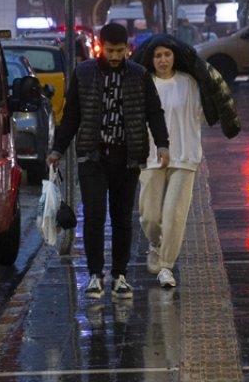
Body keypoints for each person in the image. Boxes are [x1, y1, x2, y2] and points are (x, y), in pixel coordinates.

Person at [48, 22, 170, 301]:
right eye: (111, 50)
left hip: (127, 156)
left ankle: (120, 275)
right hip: (92, 155)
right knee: (93, 215)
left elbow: (154, 111)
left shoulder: (138, 75)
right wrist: (57, 149)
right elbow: (72, 116)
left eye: (120, 51)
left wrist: (162, 144)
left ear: (128, 49)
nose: (115, 56)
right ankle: (95, 275)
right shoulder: (84, 73)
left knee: (122, 217)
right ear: (101, 47)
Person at [136, 37, 204, 289]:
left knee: (174, 214)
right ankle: (155, 243)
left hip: (184, 154)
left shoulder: (190, 83)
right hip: (151, 157)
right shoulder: (144, 84)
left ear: (174, 56)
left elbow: (203, 113)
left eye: (167, 54)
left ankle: (166, 266)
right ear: (150, 60)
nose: (163, 60)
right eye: (157, 56)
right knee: (150, 215)